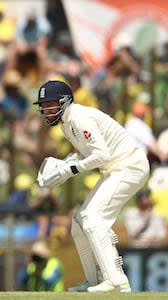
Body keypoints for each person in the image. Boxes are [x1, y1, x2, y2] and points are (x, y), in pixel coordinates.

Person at [34, 80, 150, 292]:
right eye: (44, 106)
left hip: (130, 166)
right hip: (116, 168)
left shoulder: (79, 118)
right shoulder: (67, 124)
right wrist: (67, 163)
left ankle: (116, 281)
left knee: (93, 220)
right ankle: (95, 280)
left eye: (50, 104)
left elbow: (102, 155)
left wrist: (70, 170)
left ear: (65, 101)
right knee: (79, 222)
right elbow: (87, 153)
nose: (46, 110)